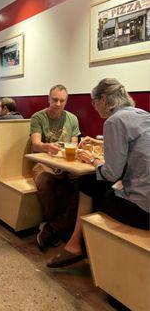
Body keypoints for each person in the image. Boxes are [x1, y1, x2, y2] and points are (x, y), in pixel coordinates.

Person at [48, 78, 150, 268]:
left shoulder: (115, 120)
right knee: (94, 182)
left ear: (103, 99)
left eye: (93, 102)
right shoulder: (143, 114)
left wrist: (93, 160)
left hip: (143, 212)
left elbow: (111, 174)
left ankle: (76, 244)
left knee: (87, 182)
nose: (93, 107)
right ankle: (77, 241)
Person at [30, 84, 80, 250]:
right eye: (55, 100)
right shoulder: (38, 117)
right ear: (48, 99)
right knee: (46, 181)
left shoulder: (72, 118)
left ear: (66, 101)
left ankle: (54, 228)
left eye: (62, 100)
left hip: (65, 163)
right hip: (42, 162)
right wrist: (47, 147)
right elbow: (36, 144)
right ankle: (54, 225)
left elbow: (74, 143)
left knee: (81, 183)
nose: (58, 103)